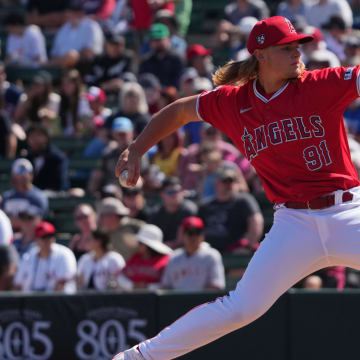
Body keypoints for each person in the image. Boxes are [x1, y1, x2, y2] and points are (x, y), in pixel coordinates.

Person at [113, 15, 360, 360]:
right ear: (261, 54)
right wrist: (138, 147)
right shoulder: (233, 102)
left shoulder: (318, 84)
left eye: (298, 46)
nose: (297, 53)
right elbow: (181, 111)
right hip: (294, 225)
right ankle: (137, 357)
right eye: (286, 48)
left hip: (347, 211)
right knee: (242, 308)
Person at [160, 216, 225, 291]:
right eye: (190, 233)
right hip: (177, 301)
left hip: (203, 301)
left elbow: (216, 286)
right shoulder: (173, 257)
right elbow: (166, 286)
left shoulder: (212, 255)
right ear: (183, 235)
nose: (193, 237)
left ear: (202, 235)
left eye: (197, 232)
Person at [13, 221, 77, 292]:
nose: (48, 240)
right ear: (36, 239)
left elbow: (62, 284)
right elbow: (17, 285)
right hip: (30, 300)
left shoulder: (65, 254)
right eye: (44, 237)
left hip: (58, 301)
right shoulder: (28, 257)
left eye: (50, 236)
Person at [119, 224, 172, 290]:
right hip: (133, 298)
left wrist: (148, 287)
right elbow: (120, 277)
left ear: (148, 246)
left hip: (155, 298)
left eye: (140, 243)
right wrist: (132, 285)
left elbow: (168, 284)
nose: (137, 245)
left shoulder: (165, 260)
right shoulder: (135, 258)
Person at [149, 176, 197, 248]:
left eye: (178, 191)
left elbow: (189, 240)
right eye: (171, 192)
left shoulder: (189, 211)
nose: (175, 194)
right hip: (159, 250)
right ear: (162, 194)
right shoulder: (155, 213)